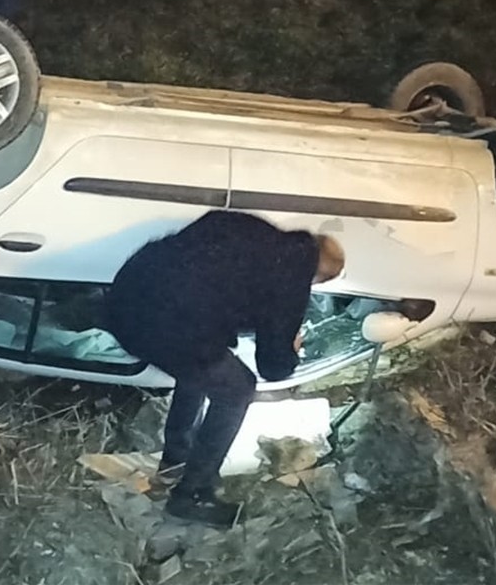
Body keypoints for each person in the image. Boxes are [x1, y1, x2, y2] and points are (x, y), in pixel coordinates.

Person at [105, 211, 346, 529]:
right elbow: (273, 367)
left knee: (204, 363)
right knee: (237, 388)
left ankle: (175, 459)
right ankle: (192, 495)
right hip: (164, 324)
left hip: (127, 297)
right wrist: (291, 346)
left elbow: (216, 282)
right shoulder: (292, 277)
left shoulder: (252, 230)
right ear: (316, 277)